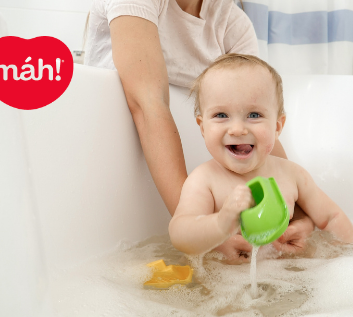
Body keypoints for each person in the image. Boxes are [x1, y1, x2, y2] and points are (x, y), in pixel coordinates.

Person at [83, 0, 316, 262]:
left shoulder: (232, 23)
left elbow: (259, 127)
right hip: (109, 162)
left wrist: (296, 216)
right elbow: (148, 105)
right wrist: (206, 233)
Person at [169, 54, 353, 259]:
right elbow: (180, 233)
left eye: (254, 115)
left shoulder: (292, 174)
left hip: (288, 276)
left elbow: (332, 217)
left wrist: (350, 258)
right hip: (225, 284)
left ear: (277, 127)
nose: (238, 129)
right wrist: (220, 225)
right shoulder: (204, 180)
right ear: (203, 127)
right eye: (221, 115)